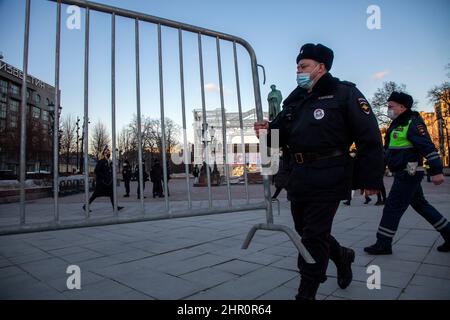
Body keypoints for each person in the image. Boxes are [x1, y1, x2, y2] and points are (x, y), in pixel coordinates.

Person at [254, 43, 384, 300]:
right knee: (305, 231)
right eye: (297, 67)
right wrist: (265, 133)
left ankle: (306, 292)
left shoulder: (343, 92)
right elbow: (278, 141)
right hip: (299, 175)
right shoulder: (294, 100)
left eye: (304, 66)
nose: (298, 72)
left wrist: (371, 178)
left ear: (321, 67)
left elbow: (368, 136)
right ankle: (341, 255)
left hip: (331, 172)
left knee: (313, 236)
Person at [364, 92, 450, 254]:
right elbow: (388, 152)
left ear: (402, 107)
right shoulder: (397, 124)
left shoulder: (412, 123)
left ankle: (383, 243)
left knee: (392, 206)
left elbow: (427, 146)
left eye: (391, 106)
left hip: (409, 171)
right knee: (421, 205)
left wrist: (437, 170)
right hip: (403, 172)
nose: (388, 109)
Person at [83, 146, 124, 211]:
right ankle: (86, 206)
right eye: (107, 152)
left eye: (109, 152)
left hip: (107, 182)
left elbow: (109, 171)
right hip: (101, 183)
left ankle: (115, 207)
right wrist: (103, 178)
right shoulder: (101, 161)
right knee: (95, 195)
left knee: (111, 193)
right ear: (104, 154)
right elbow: (96, 171)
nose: (109, 154)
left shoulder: (108, 162)